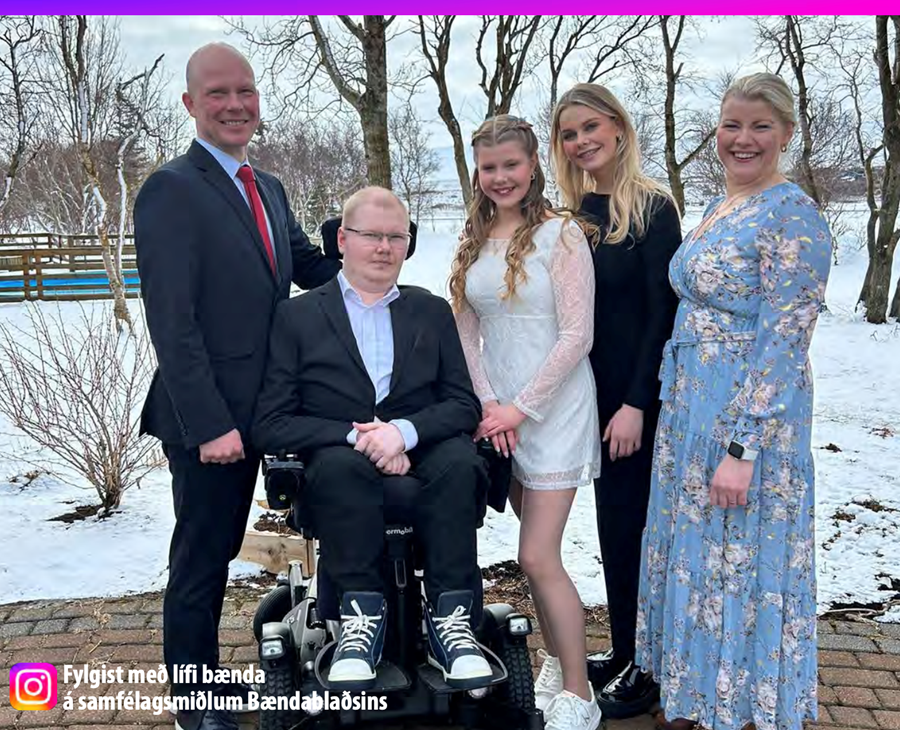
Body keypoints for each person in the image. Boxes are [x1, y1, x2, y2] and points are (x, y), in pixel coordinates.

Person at [134, 43, 341, 730]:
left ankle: (213, 681)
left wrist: (371, 238)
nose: (234, 105)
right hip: (209, 418)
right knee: (202, 556)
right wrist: (210, 423)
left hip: (268, 409)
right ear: (190, 104)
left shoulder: (268, 187)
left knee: (222, 549)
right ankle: (194, 700)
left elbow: (308, 267)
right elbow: (173, 321)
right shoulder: (171, 189)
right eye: (217, 93)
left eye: (244, 91)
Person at [635, 73, 831, 730]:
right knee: (700, 556)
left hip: (746, 420)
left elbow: (786, 339)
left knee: (739, 561)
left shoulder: (793, 215)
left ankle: (741, 706)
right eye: (732, 125)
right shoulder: (724, 205)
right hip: (691, 410)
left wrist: (743, 448)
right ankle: (698, 695)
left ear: (787, 134)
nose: (742, 139)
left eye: (760, 126)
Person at [252, 186, 493, 692]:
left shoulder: (430, 311)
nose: (384, 248)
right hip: (339, 461)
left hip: (424, 452)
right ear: (342, 240)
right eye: (371, 236)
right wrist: (359, 438)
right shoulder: (296, 316)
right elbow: (272, 422)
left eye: (396, 237)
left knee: (461, 463)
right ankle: (359, 622)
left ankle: (452, 622)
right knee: (341, 468)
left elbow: (462, 404)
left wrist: (401, 435)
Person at [450, 115, 602, 730]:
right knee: (535, 552)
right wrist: (491, 405)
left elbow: (577, 336)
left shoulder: (561, 234)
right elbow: (466, 332)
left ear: (533, 163)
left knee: (537, 556)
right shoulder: (474, 236)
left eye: (510, 164)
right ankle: (557, 664)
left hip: (554, 406)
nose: (500, 177)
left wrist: (521, 406)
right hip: (502, 416)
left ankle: (581, 695)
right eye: (488, 167)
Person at [549, 83, 681, 718]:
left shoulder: (653, 208)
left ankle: (649, 668)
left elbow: (663, 314)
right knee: (614, 529)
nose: (582, 141)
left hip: (634, 403)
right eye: (569, 134)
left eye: (591, 127)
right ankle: (628, 649)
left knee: (638, 531)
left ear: (619, 128)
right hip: (590, 401)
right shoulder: (574, 216)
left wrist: (636, 403)